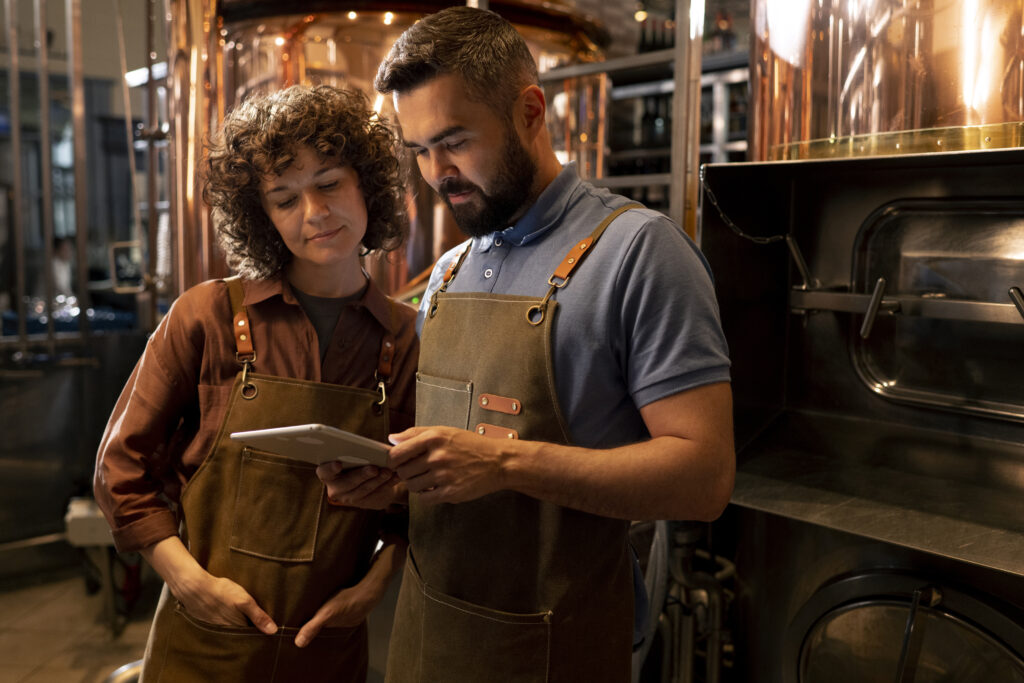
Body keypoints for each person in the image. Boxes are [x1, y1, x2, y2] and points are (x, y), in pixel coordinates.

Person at [318, 7, 735, 682]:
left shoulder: (638, 253)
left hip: (553, 647)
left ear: (531, 111)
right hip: (429, 636)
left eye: (454, 140)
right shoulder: (449, 273)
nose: (436, 172)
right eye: (418, 150)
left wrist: (508, 464)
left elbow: (705, 478)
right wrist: (390, 484)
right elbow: (457, 470)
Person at [93, 84, 418, 683]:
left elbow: (419, 502)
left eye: (328, 183)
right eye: (284, 198)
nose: (315, 213)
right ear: (261, 217)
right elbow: (120, 470)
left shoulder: (408, 338)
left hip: (329, 650)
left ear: (367, 183)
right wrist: (190, 584)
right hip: (203, 644)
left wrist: (372, 589)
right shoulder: (206, 316)